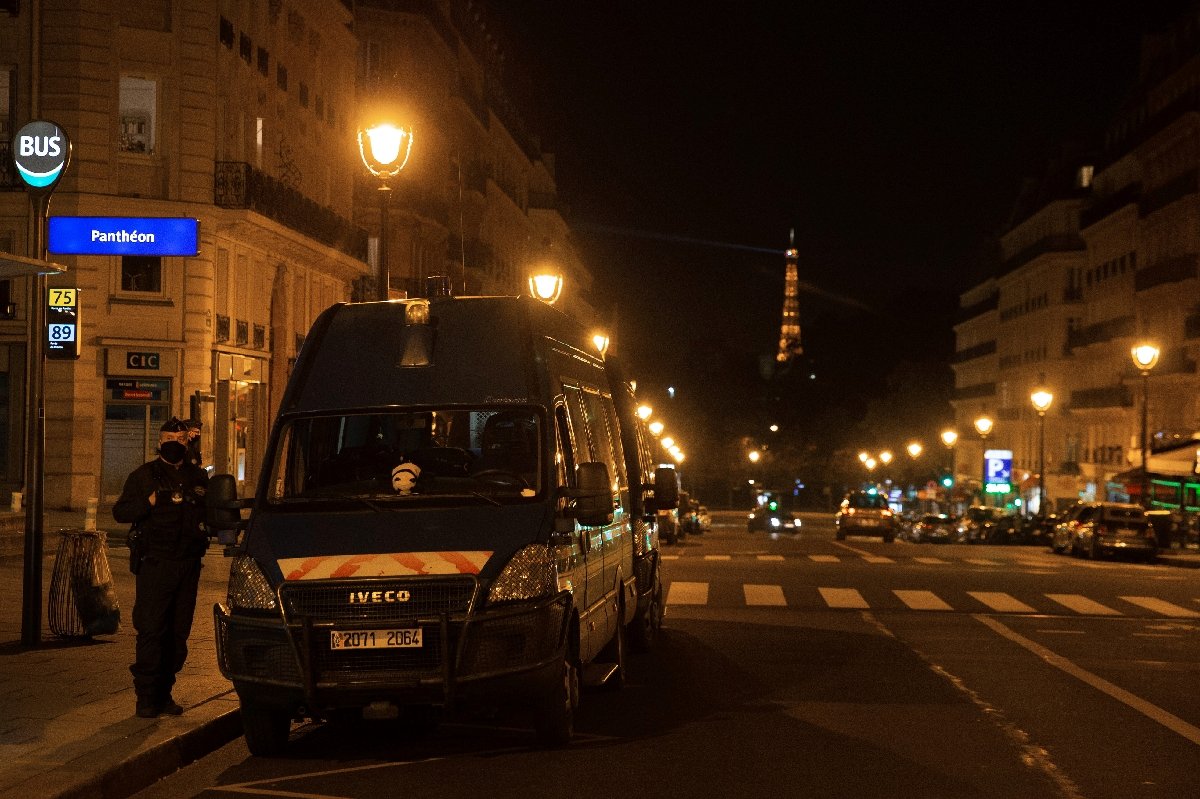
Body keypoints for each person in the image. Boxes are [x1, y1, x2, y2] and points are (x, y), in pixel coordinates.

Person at [112, 417, 210, 718]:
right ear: (159, 441)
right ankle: (146, 698)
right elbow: (121, 511)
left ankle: (165, 693)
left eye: (179, 439)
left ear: (187, 442)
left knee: (178, 635)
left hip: (187, 565)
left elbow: (211, 512)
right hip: (155, 564)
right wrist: (149, 502)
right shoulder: (144, 476)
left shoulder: (197, 477)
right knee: (152, 631)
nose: (173, 444)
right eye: (168, 438)